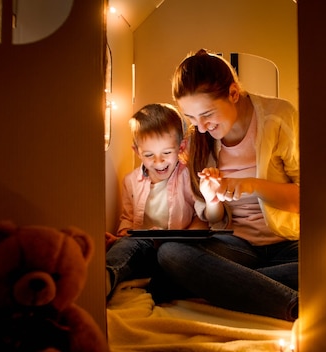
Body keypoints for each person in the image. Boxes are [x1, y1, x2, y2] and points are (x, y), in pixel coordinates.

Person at [156, 49, 299, 321]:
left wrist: (251, 185)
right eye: (191, 118)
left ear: (233, 93)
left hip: (288, 243)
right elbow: (214, 219)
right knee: (171, 253)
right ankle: (290, 302)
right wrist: (212, 200)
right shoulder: (200, 138)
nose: (200, 127)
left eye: (207, 114)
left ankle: (226, 284)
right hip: (236, 245)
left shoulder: (278, 116)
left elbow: (307, 198)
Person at [105, 103, 207, 297]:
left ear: (180, 147)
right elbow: (127, 219)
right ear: (137, 152)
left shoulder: (188, 177)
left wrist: (180, 238)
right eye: (149, 155)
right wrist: (120, 239)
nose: (158, 162)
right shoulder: (130, 181)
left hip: (175, 250)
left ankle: (164, 286)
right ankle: (105, 279)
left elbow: (201, 218)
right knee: (129, 246)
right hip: (142, 249)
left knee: (177, 260)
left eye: (166, 153)